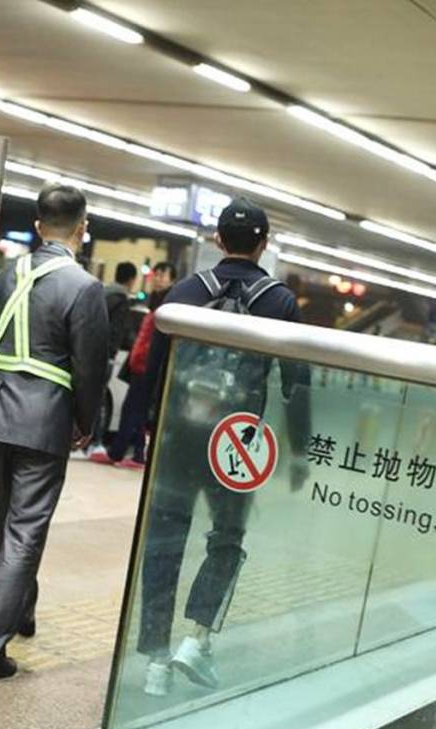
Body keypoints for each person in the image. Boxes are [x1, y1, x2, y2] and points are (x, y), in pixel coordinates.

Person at [139, 197, 311, 697]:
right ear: (264, 244)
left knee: (164, 542)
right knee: (228, 539)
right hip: (235, 446)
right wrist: (299, 450)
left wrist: (149, 431)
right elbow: (295, 382)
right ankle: (196, 640)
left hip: (178, 439)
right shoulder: (279, 302)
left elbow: (154, 372)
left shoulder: (185, 293)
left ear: (217, 240)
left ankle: (155, 663)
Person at [0, 184, 109, 682]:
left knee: (7, 522)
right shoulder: (84, 287)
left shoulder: (8, 273)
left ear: (40, 226)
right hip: (42, 419)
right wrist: (86, 422)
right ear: (82, 229)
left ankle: (19, 610)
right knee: (25, 532)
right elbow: (90, 368)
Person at [93, 262, 177, 468]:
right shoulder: (154, 300)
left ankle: (122, 454)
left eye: (163, 275)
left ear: (172, 280)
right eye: (156, 274)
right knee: (136, 410)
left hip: (149, 365)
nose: (158, 279)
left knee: (134, 409)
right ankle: (135, 454)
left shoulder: (170, 303)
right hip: (140, 364)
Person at [87, 261, 138, 458]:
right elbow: (117, 331)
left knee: (88, 398)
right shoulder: (122, 300)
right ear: (132, 280)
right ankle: (96, 443)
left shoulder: (102, 293)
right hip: (105, 357)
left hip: (89, 352)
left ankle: (81, 442)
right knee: (99, 402)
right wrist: (111, 354)